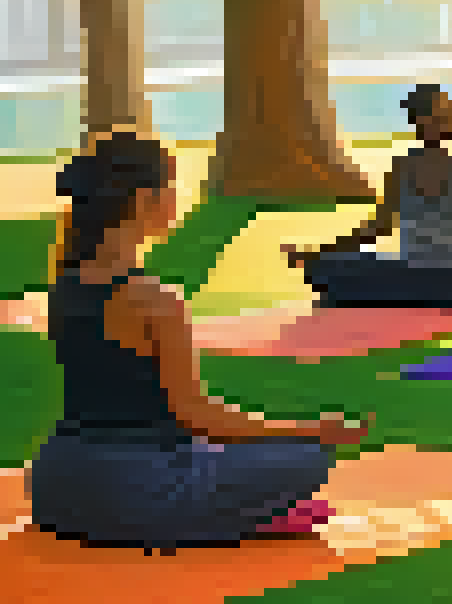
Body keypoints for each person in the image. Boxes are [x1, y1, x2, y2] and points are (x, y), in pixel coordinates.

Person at [33, 132, 371, 553]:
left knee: (216, 451)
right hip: (136, 492)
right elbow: (195, 413)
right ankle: (243, 514)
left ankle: (243, 510)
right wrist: (309, 430)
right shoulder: (155, 301)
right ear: (144, 201)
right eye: (171, 186)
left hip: (55, 487)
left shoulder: (62, 287)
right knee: (309, 457)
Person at [285, 85, 452, 316]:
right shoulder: (413, 170)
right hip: (439, 276)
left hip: (441, 273)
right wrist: (322, 253)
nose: (450, 120)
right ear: (419, 121)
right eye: (441, 115)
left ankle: (396, 295)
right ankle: (439, 296)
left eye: (450, 113)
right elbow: (377, 228)